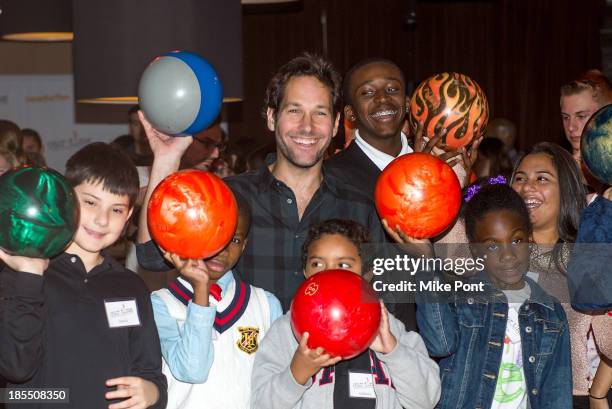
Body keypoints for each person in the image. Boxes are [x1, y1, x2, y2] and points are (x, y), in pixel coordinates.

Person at [136, 53, 386, 310]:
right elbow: (152, 256)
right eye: (294, 110)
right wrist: (167, 158)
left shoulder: (362, 206)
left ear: (335, 125)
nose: (307, 126)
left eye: (319, 113)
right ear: (271, 117)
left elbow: (387, 303)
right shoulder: (228, 198)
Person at [0, 142, 167, 409]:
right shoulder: (24, 274)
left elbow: (151, 374)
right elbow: (15, 372)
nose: (102, 220)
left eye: (116, 209)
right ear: (64, 198)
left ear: (129, 216)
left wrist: (153, 393)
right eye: (90, 202)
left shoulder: (131, 285)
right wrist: (30, 278)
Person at [250, 219, 441, 409]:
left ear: (367, 272)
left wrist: (394, 351)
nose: (330, 274)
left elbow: (426, 400)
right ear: (305, 272)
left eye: (344, 265)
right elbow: (261, 404)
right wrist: (296, 374)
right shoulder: (286, 331)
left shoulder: (389, 329)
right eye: (317, 264)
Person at [416, 183, 572, 409]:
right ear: (475, 250)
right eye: (492, 246)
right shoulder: (461, 298)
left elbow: (556, 394)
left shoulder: (550, 312)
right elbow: (440, 344)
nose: (508, 255)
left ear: (530, 239)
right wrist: (426, 266)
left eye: (516, 240)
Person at [151, 191, 282, 409]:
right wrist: (201, 289)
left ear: (245, 245)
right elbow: (192, 370)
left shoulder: (265, 304)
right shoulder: (160, 304)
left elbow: (277, 385)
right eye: (214, 234)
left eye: (235, 240)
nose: (222, 249)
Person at [511, 142, 612, 405]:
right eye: (520, 178)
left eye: (541, 178)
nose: (526, 187)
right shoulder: (495, 252)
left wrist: (597, 394)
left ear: (566, 190)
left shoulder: (583, 256)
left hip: (566, 398)